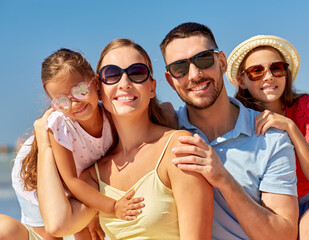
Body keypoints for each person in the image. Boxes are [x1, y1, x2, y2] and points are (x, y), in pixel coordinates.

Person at [35, 38, 213, 240]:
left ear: (153, 88)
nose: (125, 83)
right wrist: (44, 142)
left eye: (137, 72)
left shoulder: (178, 148)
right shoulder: (94, 175)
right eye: (112, 75)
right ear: (99, 89)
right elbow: (57, 224)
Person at [160, 22, 298, 240]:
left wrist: (223, 179)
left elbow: (284, 235)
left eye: (203, 60)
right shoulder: (164, 131)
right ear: (170, 80)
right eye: (180, 68)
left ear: (222, 62)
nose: (194, 75)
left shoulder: (271, 139)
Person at [0, 48, 145, 240]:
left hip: (80, 180)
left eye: (80, 91)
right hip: (36, 181)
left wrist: (95, 211)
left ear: (94, 82)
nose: (75, 104)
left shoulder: (112, 116)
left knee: (88, 230)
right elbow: (71, 181)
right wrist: (112, 207)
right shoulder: (61, 127)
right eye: (62, 101)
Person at [226, 34, 309, 240]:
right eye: (256, 71)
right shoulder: (239, 120)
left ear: (285, 74)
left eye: (276, 68)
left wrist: (291, 127)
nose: (268, 76)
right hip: (279, 216)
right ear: (242, 81)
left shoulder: (306, 107)